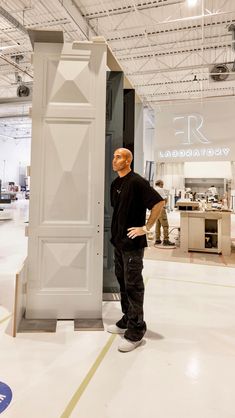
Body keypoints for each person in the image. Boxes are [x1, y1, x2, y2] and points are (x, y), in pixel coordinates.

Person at [107, 148, 165, 352]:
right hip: (119, 243)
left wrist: (146, 228)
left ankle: (136, 331)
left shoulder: (137, 181)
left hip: (132, 246)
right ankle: (127, 319)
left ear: (128, 161)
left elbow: (158, 203)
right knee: (122, 284)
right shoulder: (116, 184)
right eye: (114, 156)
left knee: (133, 287)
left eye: (119, 157)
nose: (115, 160)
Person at [154, 180, 175, 246]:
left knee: (158, 224)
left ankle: (157, 240)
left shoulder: (153, 189)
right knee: (165, 225)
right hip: (161, 209)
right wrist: (164, 206)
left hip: (155, 209)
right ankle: (166, 240)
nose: (163, 185)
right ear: (160, 184)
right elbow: (165, 199)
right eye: (162, 184)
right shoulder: (160, 189)